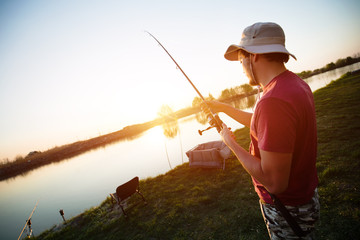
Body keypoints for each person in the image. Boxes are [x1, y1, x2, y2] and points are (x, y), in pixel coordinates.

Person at [203, 22, 320, 239]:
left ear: (253, 56)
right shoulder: (294, 84)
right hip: (304, 198)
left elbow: (275, 182)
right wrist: (224, 108)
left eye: (240, 59)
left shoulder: (273, 101)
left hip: (288, 209)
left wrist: (231, 144)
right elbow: (266, 125)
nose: (241, 66)